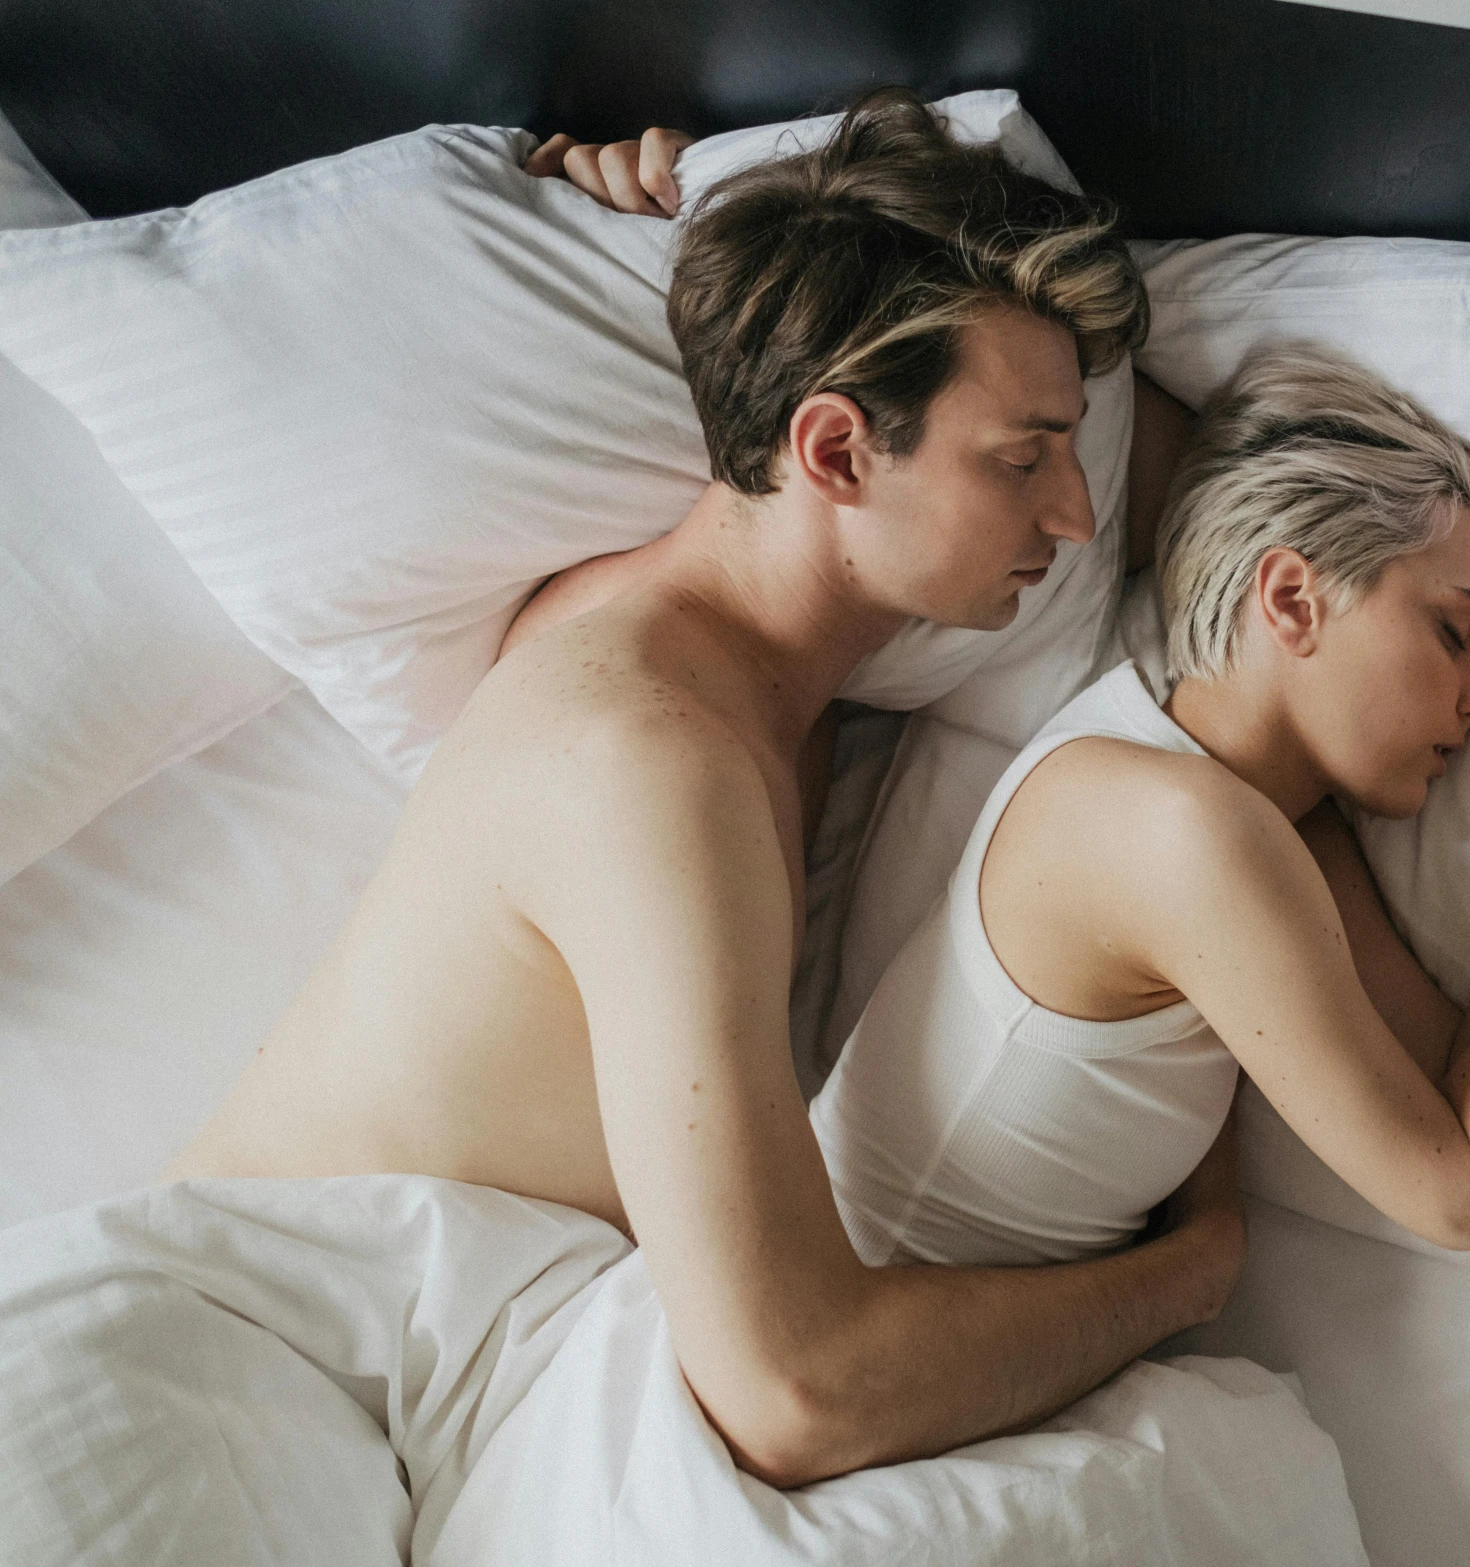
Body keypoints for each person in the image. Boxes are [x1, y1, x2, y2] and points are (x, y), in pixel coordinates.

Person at [155, 87, 1245, 1490]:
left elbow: (1203, 476)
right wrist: (1191, 1272)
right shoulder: (656, 760)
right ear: (835, 449)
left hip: (336, 1412)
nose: (1074, 514)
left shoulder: (711, 663)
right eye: (1023, 460)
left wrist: (656, 187)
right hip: (226, 1375)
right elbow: (797, 1387)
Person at [807, 343, 1470, 1270]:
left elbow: (1457, 1086)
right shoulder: (1178, 828)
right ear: (1292, 598)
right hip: (894, 1322)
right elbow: (1464, 1196)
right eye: (1451, 632)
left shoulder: (1259, 804)